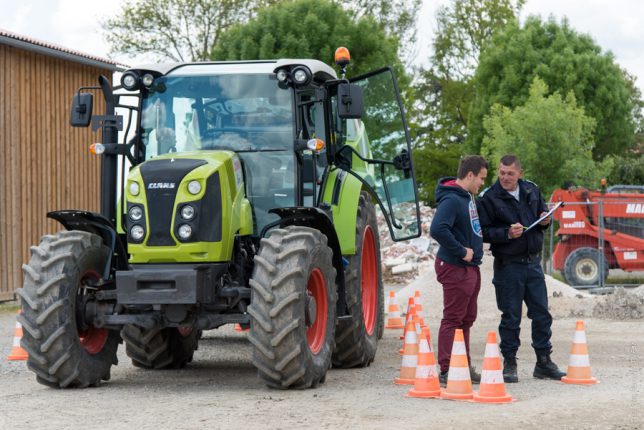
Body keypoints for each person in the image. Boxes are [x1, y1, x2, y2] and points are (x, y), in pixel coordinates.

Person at [477, 154, 566, 383]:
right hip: (508, 267)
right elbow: (482, 232)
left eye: (510, 174)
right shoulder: (488, 198)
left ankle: (544, 362)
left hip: (533, 264)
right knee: (511, 317)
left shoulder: (531, 190)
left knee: (542, 314)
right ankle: (510, 363)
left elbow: (542, 216)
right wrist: (506, 233)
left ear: (520, 173)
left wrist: (546, 220)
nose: (505, 177)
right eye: (501, 173)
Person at [429, 155, 488, 385]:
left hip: (470, 268)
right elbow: (438, 229)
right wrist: (461, 251)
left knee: (466, 318)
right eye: (481, 178)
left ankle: (461, 364)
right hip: (455, 266)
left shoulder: (467, 198)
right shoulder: (452, 200)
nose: (482, 183)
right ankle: (446, 368)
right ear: (470, 175)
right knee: (453, 319)